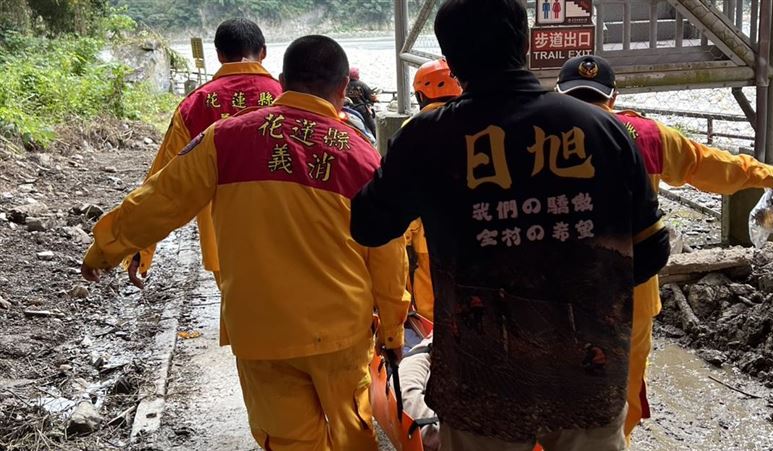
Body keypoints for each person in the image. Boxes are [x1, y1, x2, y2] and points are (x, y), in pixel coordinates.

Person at [350, 0, 670, 450]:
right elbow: (653, 250)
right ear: (524, 44)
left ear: (451, 59)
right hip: (588, 376)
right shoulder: (605, 129)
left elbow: (367, 226)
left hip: (480, 386)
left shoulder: (425, 138)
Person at [81, 35, 409, 451]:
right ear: (344, 88)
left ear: (284, 79)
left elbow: (158, 201)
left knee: (290, 441)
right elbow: (387, 251)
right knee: (352, 435)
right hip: (340, 330)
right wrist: (393, 331)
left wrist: (105, 249)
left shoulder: (222, 139)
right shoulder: (359, 155)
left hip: (259, 330)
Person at [555, 54, 773, 439]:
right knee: (624, 389)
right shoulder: (649, 137)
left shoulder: (533, 137)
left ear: (558, 95)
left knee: (554, 383)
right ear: (613, 97)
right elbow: (713, 166)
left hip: (554, 292)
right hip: (631, 290)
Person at [127, 19, 282, 300]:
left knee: (243, 323)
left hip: (223, 244)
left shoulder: (195, 105)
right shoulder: (288, 98)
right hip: (288, 237)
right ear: (264, 52)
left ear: (220, 55)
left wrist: (141, 246)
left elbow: (162, 183)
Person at [404, 58, 463, 321]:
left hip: (427, 234)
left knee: (430, 310)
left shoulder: (413, 129)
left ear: (420, 94)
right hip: (475, 232)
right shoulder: (477, 120)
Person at [346, 67, 378, 135]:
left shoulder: (344, 84)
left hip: (346, 108)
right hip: (360, 108)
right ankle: (377, 140)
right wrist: (376, 99)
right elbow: (372, 97)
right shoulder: (362, 84)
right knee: (373, 127)